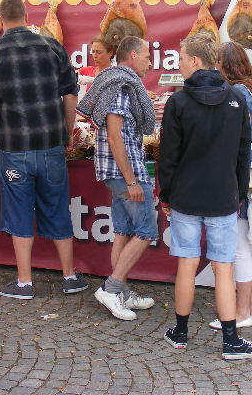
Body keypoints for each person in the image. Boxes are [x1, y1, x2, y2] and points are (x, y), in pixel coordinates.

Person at [158, 34, 252, 359]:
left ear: (194, 61)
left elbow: (168, 157)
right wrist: (238, 193)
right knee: (223, 267)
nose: (178, 63)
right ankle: (231, 340)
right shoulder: (236, 99)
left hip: (186, 197)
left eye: (180, 57)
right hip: (223, 197)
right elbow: (242, 155)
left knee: (187, 265)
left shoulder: (178, 103)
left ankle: (179, 332)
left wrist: (166, 196)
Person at [0, 0, 88, 299]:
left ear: (1, 19)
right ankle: (70, 277)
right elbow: (70, 94)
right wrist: (67, 131)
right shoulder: (52, 47)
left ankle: (24, 283)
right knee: (56, 208)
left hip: (14, 149)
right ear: (27, 14)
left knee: (19, 211)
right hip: (51, 145)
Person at [77, 36, 157, 321]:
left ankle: (120, 291)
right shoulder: (122, 87)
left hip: (118, 171)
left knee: (123, 230)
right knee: (147, 231)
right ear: (133, 55)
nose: (150, 61)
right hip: (126, 172)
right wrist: (132, 180)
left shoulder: (118, 83)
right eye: (147, 56)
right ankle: (111, 289)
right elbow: (114, 136)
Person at [205, 41, 252, 331]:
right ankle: (250, 309)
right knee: (247, 245)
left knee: (239, 245)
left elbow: (230, 140)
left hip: (239, 173)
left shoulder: (235, 94)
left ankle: (240, 312)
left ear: (223, 65)